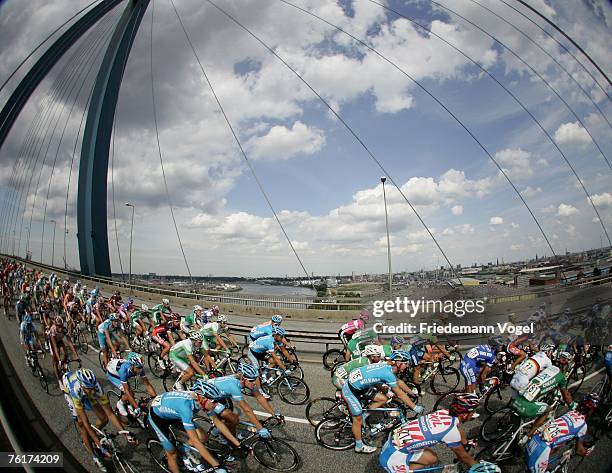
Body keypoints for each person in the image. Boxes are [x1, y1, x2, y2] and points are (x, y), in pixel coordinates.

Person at [379, 393, 500, 472]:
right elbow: (464, 457)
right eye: (472, 412)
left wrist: (466, 441)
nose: (473, 415)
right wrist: (479, 467)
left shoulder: (443, 413)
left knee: (432, 459)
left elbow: (458, 430)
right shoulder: (450, 431)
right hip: (392, 457)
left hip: (395, 441)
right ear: (464, 414)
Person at [341, 350, 425, 453]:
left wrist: (412, 393)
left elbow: (398, 381)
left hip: (360, 385)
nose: (407, 366)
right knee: (357, 419)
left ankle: (365, 415)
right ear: (398, 363)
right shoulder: (387, 373)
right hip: (350, 390)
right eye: (406, 363)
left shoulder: (387, 366)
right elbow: (400, 394)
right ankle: (359, 446)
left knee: (383, 399)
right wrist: (414, 407)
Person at [148, 381, 236, 473]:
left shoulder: (202, 400)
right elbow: (195, 441)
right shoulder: (186, 408)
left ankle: (184, 450)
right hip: (158, 417)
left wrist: (237, 444)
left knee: (204, 437)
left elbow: (217, 423)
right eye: (214, 401)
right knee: (172, 454)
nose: (217, 405)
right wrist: (216, 465)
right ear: (203, 398)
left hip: (174, 412)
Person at [63, 368, 135, 472]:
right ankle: (94, 456)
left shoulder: (95, 387)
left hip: (84, 391)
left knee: (104, 418)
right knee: (82, 425)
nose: (93, 391)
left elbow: (110, 414)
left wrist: (125, 433)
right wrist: (99, 445)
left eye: (93, 387)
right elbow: (87, 423)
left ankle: (93, 435)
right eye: (89, 388)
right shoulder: (75, 390)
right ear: (82, 386)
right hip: (70, 393)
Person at [524, 393, 599, 473]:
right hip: (542, 449)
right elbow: (579, 451)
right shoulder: (583, 426)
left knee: (557, 445)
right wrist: (587, 452)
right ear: (591, 410)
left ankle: (542, 461)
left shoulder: (570, 412)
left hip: (534, 438)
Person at [514, 352, 574, 445]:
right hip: (526, 407)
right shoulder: (561, 377)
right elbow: (566, 396)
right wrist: (572, 406)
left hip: (516, 399)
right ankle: (527, 436)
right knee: (548, 410)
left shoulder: (547, 368)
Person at [207, 364, 278, 436]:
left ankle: (229, 435)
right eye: (251, 380)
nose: (254, 383)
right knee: (233, 420)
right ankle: (217, 432)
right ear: (242, 379)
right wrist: (260, 428)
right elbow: (247, 409)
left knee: (231, 420)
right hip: (208, 397)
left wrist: (274, 414)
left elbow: (259, 397)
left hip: (220, 396)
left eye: (255, 379)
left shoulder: (247, 382)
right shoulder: (234, 386)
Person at [106, 352, 157, 417]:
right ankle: (120, 403)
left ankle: (130, 404)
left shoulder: (138, 367)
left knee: (131, 394)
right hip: (113, 375)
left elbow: (147, 384)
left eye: (141, 367)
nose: (140, 370)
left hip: (121, 369)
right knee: (129, 392)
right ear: (132, 365)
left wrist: (155, 398)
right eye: (138, 368)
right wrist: (137, 408)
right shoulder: (123, 370)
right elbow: (127, 392)